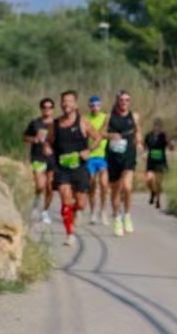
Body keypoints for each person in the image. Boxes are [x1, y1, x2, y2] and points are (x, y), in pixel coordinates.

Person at [45, 90, 91, 247]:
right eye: (64, 101)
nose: (66, 104)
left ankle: (75, 210)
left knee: (81, 203)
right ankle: (69, 234)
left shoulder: (83, 121)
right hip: (62, 167)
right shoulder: (55, 124)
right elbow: (48, 141)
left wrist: (88, 150)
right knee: (65, 195)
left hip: (80, 167)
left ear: (76, 104)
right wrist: (47, 149)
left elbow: (98, 137)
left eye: (70, 101)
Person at [101, 90, 141, 236]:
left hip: (129, 154)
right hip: (113, 156)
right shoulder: (109, 116)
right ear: (117, 101)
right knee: (116, 189)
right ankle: (117, 217)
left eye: (127, 100)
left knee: (128, 187)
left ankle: (127, 215)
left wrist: (140, 143)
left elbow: (138, 131)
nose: (124, 102)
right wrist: (111, 135)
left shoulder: (134, 116)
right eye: (122, 100)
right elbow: (101, 133)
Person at [23, 98, 55, 223]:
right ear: (41, 108)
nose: (47, 109)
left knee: (50, 187)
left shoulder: (57, 124)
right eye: (44, 107)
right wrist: (33, 139)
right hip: (38, 157)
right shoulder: (35, 123)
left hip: (53, 158)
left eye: (50, 107)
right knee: (40, 185)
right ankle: (36, 201)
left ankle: (45, 212)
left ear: (53, 109)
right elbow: (25, 137)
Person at [81, 94, 109, 225]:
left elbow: (107, 133)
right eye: (92, 105)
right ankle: (92, 212)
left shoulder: (105, 117)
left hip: (103, 155)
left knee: (104, 184)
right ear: (89, 106)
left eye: (97, 105)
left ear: (101, 105)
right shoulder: (85, 118)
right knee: (91, 184)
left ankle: (103, 211)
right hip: (90, 156)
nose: (95, 108)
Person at [143, 120, 170, 210]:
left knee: (158, 182)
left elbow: (169, 145)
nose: (157, 128)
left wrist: (170, 144)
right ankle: (152, 192)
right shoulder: (148, 136)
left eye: (159, 126)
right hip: (151, 161)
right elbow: (144, 146)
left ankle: (158, 200)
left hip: (161, 161)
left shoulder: (163, 136)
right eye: (155, 126)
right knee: (149, 180)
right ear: (153, 127)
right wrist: (143, 154)